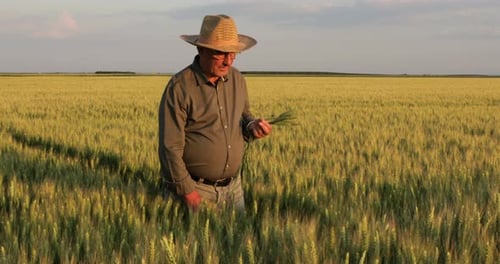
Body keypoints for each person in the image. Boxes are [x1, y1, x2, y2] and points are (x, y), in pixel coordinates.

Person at [158, 14, 272, 211]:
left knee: (239, 242)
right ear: (201, 49)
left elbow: (243, 114)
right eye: (221, 53)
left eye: (233, 53)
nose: (228, 61)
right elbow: (170, 147)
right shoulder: (180, 87)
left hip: (234, 191)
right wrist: (187, 191)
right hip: (196, 191)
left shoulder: (237, 79)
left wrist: (252, 125)